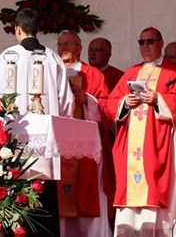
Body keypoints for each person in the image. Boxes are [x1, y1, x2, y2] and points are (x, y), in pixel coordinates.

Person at [0, 9, 74, 237]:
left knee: (16, 194)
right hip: (45, 142)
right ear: (36, 29)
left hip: (15, 141)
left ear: (17, 29)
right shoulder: (52, 57)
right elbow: (66, 100)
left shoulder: (9, 56)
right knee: (44, 193)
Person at [107, 27, 176, 236]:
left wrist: (159, 99)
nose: (145, 46)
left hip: (159, 142)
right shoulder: (131, 72)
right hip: (132, 147)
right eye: (141, 42)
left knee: (158, 187)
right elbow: (111, 102)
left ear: (161, 43)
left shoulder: (174, 71)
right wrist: (124, 102)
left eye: (150, 41)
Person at [55, 31, 113, 236]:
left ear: (79, 48)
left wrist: (86, 99)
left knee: (89, 190)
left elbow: (108, 107)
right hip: (60, 143)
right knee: (61, 194)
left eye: (68, 44)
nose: (63, 48)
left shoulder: (93, 74)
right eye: (60, 44)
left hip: (87, 145)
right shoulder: (54, 73)